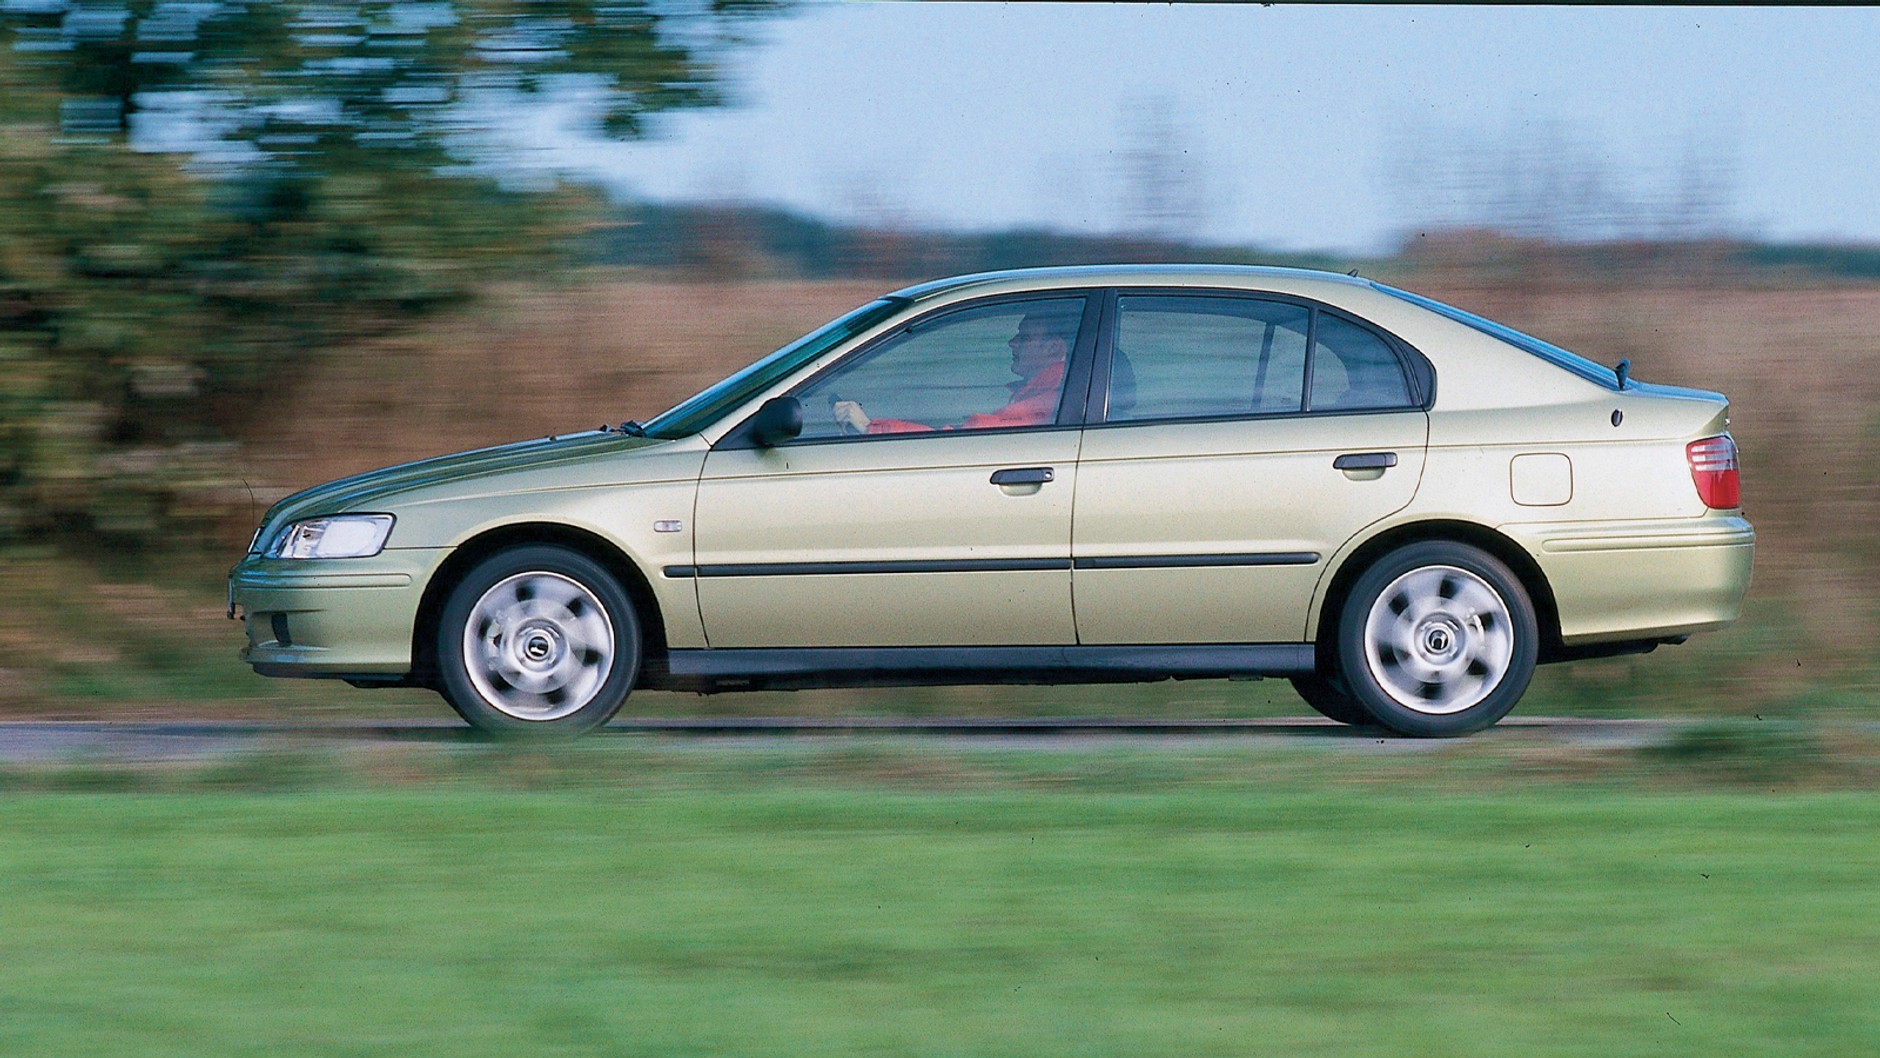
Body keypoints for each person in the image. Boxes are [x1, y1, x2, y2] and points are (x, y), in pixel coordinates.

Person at [831, 310, 1073, 434]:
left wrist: (869, 426)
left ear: (1053, 347)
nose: (1012, 343)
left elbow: (964, 439)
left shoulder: (1049, 400)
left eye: (1025, 337)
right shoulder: (1058, 390)